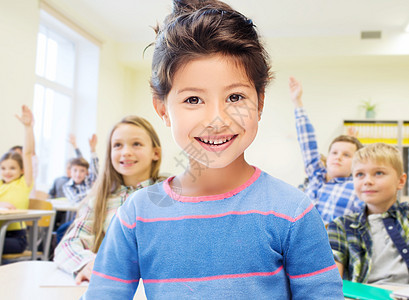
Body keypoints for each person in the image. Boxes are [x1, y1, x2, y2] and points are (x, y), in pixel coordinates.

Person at [82, 1, 343, 299]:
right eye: (193, 100)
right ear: (162, 110)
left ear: (259, 103)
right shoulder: (138, 214)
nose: (216, 120)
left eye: (235, 97)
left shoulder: (293, 212)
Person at [54, 115, 162, 285]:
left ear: (155, 153)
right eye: (117, 145)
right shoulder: (99, 201)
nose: (126, 152)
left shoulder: (169, 193)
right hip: (117, 287)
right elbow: (67, 245)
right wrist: (87, 263)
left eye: (136, 144)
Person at [328, 143, 409, 284]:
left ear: (401, 181)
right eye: (360, 174)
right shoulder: (341, 226)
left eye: (379, 173)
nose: (368, 181)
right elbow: (331, 283)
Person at [289, 76, 364, 224]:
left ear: (356, 162)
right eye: (334, 153)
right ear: (327, 157)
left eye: (346, 155)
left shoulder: (356, 188)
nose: (338, 157)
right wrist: (297, 102)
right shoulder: (316, 175)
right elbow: (307, 142)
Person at [0, 105, 34, 254]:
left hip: (16, 238)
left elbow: (27, 153)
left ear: (22, 170)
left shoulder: (23, 183)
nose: (7, 172)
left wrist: (28, 128)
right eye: (3, 168)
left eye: (12, 168)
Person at [62, 134, 99, 204]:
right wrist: (93, 192)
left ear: (86, 172)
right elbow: (76, 200)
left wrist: (92, 150)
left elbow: (94, 168)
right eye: (75, 170)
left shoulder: (89, 180)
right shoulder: (67, 186)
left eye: (82, 171)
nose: (78, 174)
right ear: (70, 171)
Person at [48, 134, 83, 199]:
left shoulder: (77, 181)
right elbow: (51, 195)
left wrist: (75, 146)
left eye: (72, 169)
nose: (69, 171)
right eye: (68, 168)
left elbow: (81, 162)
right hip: (59, 207)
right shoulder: (58, 180)